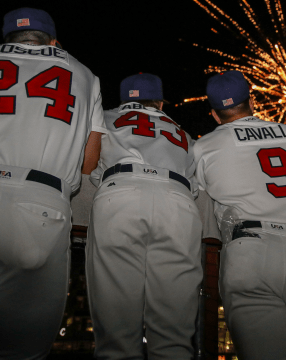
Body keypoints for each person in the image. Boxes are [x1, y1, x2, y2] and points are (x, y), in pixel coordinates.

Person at [0, 8, 106, 359]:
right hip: (38, 205)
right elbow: (89, 162)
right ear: (53, 41)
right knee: (19, 353)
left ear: (6, 38)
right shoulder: (82, 73)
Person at [193, 70, 286, 360]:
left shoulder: (204, 146)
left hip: (251, 252)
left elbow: (196, 194)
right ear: (251, 102)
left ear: (214, 115)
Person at [86, 73, 202, 359]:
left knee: (117, 336)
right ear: (159, 103)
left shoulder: (105, 116)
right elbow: (197, 186)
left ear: (126, 99)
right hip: (177, 199)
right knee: (174, 335)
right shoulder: (182, 132)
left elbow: (88, 165)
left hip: (121, 193)